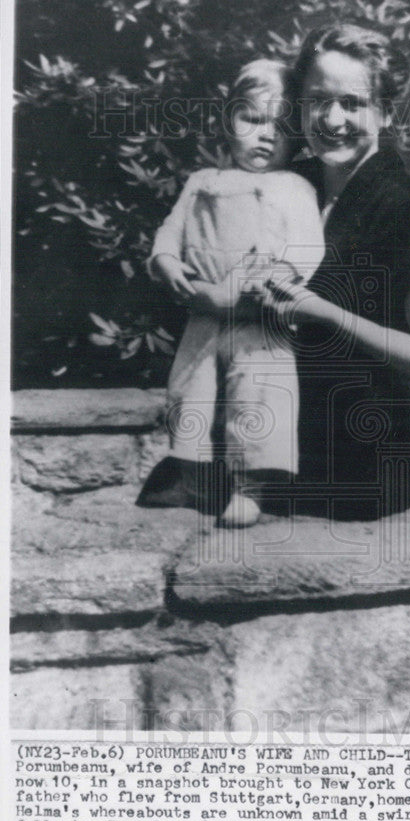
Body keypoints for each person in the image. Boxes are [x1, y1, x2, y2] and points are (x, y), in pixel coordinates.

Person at [256, 24, 410, 521]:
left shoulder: (404, 208)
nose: (331, 119)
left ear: (385, 111)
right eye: (317, 100)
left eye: (353, 103)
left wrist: (323, 312)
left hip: (361, 474)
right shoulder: (290, 184)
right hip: (273, 463)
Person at [136, 60, 324, 526]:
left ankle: (252, 489)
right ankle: (194, 477)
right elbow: (170, 230)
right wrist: (166, 262)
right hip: (203, 313)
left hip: (258, 317)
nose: (266, 136)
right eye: (252, 120)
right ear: (228, 122)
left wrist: (265, 281)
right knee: (192, 392)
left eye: (281, 126)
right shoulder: (202, 181)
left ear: (298, 136)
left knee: (256, 397)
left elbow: (305, 247)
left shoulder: (293, 186)